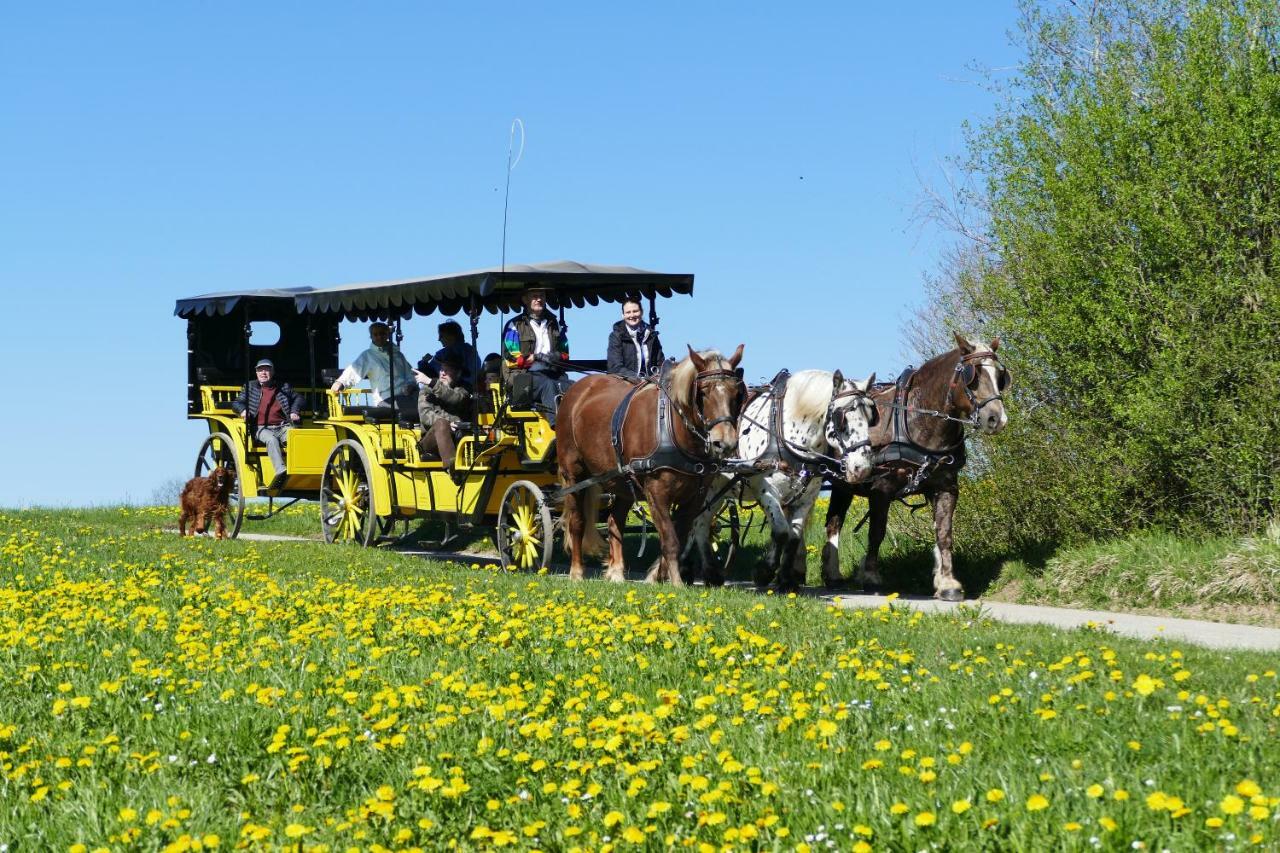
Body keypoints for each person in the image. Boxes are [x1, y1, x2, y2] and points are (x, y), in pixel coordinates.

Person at [501, 288, 573, 423]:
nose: (539, 299)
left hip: (552, 373)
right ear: (525, 300)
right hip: (522, 377)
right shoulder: (514, 325)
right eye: (534, 296)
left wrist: (554, 357)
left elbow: (565, 353)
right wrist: (535, 357)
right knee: (549, 386)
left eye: (542, 296)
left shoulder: (554, 323)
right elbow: (511, 359)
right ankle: (558, 428)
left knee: (574, 387)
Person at [231, 358, 303, 490]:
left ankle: (302, 470)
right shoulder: (250, 386)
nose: (263, 373)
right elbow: (236, 403)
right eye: (260, 370)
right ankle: (280, 471)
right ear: (256, 373)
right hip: (260, 428)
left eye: (267, 369)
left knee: (296, 437)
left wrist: (294, 411)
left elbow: (299, 397)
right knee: (271, 440)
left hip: (282, 426)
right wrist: (243, 411)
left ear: (272, 372)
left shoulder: (283, 387)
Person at [330, 321, 417, 413]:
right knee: (415, 408)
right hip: (386, 399)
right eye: (376, 334)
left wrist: (411, 385)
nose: (379, 336)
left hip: (406, 396)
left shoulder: (398, 355)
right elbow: (354, 370)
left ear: (387, 335)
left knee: (425, 403)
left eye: (382, 333)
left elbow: (410, 375)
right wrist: (341, 382)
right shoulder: (368, 355)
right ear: (371, 336)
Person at [413, 352, 474, 480]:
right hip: (430, 442)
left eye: (448, 370)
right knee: (441, 424)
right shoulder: (426, 390)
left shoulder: (463, 390)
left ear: (458, 373)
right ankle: (453, 470)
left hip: (457, 438)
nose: (442, 373)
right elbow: (425, 416)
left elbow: (456, 399)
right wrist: (448, 423)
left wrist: (431, 382)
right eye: (441, 369)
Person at [607, 297, 664, 379]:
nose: (632, 315)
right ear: (623, 315)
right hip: (625, 384)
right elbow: (615, 367)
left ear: (641, 312)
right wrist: (637, 378)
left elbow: (660, 363)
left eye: (635, 311)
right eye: (628, 312)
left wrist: (656, 377)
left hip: (651, 384)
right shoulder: (616, 336)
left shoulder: (652, 335)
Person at [419, 320, 481, 388]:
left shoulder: (442, 354)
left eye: (441, 336)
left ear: (451, 336)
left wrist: (423, 363)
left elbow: (428, 375)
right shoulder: (470, 350)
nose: (439, 339)